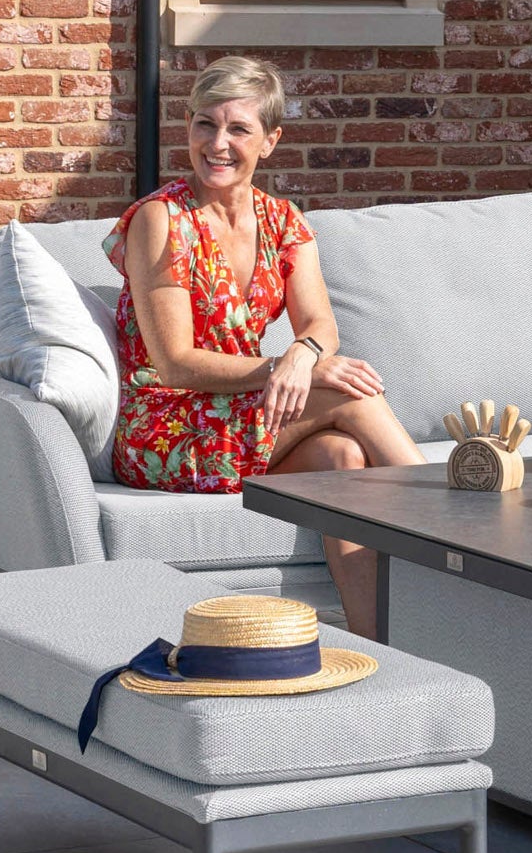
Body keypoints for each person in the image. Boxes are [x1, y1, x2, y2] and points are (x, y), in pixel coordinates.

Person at [106, 56, 422, 636]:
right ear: (189, 127)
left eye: (238, 129)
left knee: (342, 461)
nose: (217, 143)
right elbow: (174, 360)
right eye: (205, 124)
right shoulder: (161, 219)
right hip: (167, 424)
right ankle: (458, 521)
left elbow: (321, 323)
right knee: (350, 395)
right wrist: (287, 366)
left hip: (244, 411)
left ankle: (377, 645)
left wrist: (302, 355)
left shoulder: (283, 221)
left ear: (270, 141)